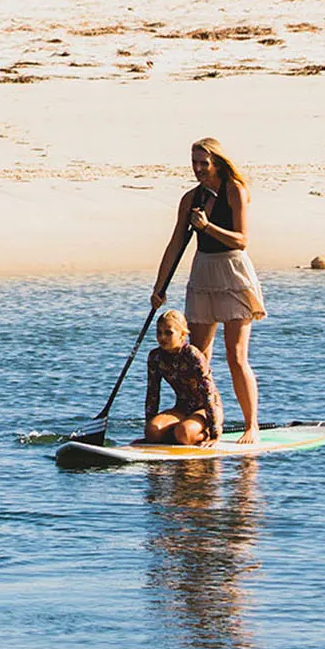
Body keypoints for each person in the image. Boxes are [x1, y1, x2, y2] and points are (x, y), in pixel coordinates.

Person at [149, 136, 266, 443]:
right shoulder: (191, 198)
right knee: (196, 356)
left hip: (233, 272)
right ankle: (199, 417)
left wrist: (208, 227)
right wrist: (159, 288)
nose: (198, 169)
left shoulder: (235, 191)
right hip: (203, 272)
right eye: (194, 163)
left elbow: (241, 240)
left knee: (236, 355)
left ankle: (251, 425)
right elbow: (176, 243)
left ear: (216, 163)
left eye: (204, 163)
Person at [143, 310, 223, 447]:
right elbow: (152, 393)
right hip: (182, 408)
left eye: (168, 333)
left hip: (207, 409)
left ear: (182, 335)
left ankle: (203, 433)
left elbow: (208, 393)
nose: (162, 337)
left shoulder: (192, 355)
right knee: (152, 431)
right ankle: (178, 433)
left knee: (184, 433)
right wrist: (149, 437)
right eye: (159, 332)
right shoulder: (155, 357)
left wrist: (214, 432)